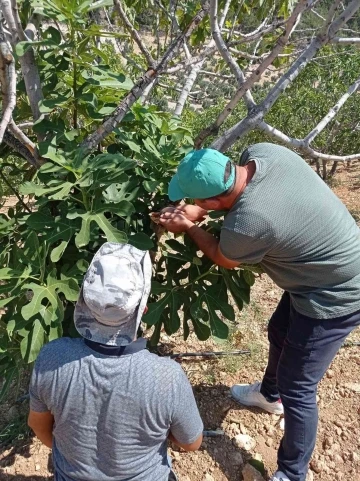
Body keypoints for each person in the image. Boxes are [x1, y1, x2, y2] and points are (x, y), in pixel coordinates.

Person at [159, 144, 360, 481]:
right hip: (328, 265)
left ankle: (293, 473)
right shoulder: (265, 152)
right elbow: (236, 204)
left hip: (336, 294)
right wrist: (198, 210)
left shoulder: (250, 223)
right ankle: (269, 394)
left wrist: (190, 226)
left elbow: (224, 256)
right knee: (279, 331)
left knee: (299, 387)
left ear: (211, 202)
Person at [28, 242, 203, 481]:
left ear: (85, 300)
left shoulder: (52, 359)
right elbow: (192, 443)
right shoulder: (167, 377)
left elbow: (39, 426)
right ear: (142, 309)